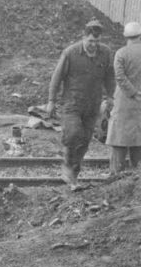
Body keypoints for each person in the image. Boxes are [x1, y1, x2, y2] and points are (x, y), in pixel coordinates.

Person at [46, 19, 115, 189]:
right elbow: (57, 77)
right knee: (73, 134)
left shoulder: (105, 53)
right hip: (72, 103)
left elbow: (109, 76)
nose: (93, 45)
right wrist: (51, 101)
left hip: (93, 105)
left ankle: (73, 174)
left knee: (84, 141)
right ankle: (68, 163)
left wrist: (111, 96)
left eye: (97, 42)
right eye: (90, 41)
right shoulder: (70, 53)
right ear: (84, 37)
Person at [106, 21, 141, 174]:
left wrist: (133, 92)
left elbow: (119, 76)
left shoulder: (121, 53)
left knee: (119, 141)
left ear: (126, 36)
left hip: (124, 103)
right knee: (138, 142)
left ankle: (115, 178)